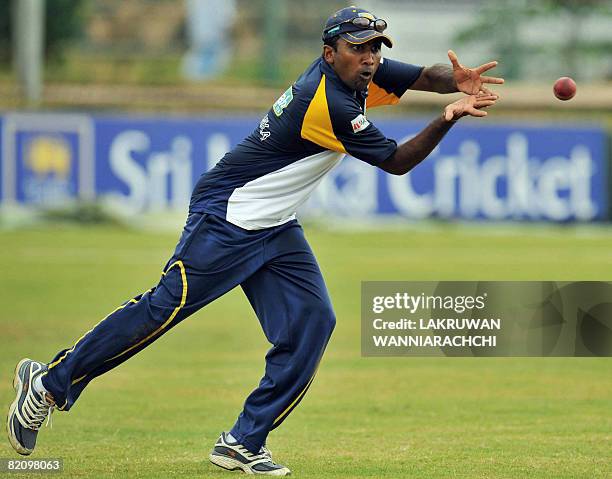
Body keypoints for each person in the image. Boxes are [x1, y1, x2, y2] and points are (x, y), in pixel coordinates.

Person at [7, 6, 503, 476]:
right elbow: (396, 162)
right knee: (163, 308)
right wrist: (447, 116)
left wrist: (453, 81)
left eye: (376, 47)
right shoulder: (327, 99)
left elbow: (420, 76)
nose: (371, 56)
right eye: (359, 48)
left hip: (274, 224)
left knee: (313, 319)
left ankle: (244, 441)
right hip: (228, 216)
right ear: (330, 53)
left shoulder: (359, 74)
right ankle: (48, 384)